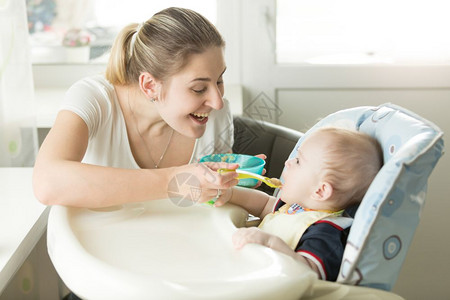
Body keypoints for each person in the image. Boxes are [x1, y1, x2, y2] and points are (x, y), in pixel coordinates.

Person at [33, 7, 242, 208]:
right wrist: (173, 181)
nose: (217, 101)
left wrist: (237, 181)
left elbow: (219, 205)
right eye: (198, 88)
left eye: (219, 80)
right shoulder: (95, 99)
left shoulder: (215, 115)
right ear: (150, 86)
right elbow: (47, 183)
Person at [213, 127, 383, 281]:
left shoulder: (324, 231)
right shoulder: (295, 208)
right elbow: (263, 203)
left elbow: (309, 274)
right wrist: (230, 193)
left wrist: (270, 243)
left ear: (320, 191)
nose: (288, 162)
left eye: (299, 161)